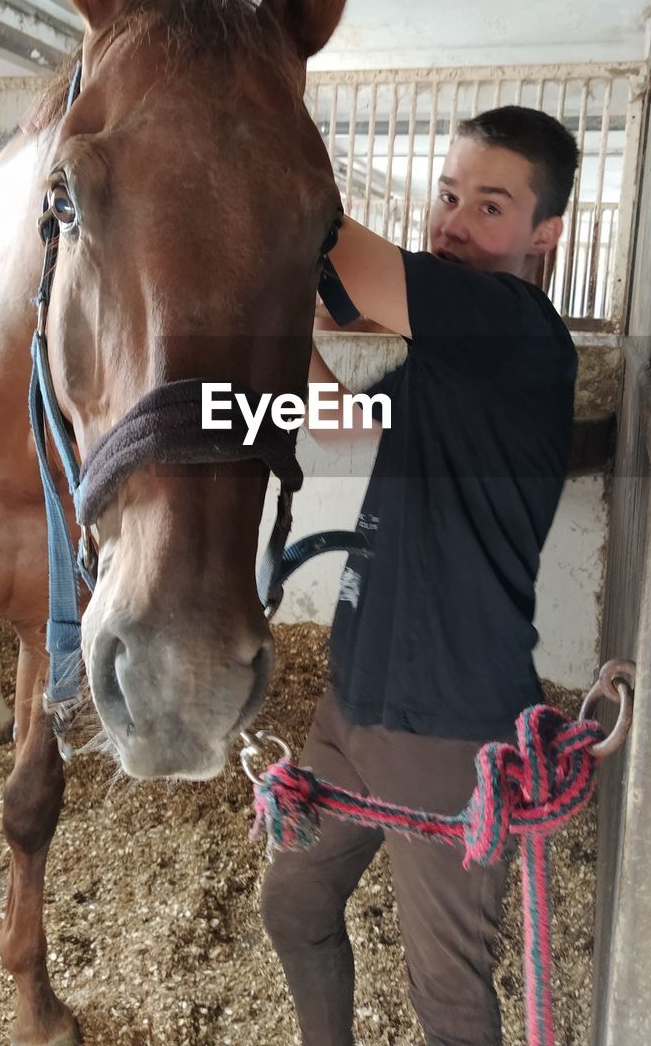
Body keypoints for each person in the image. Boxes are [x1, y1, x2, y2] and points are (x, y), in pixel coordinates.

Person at [260, 105, 580, 1046]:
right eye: (447, 195)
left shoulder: (514, 329)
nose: (452, 222)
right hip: (353, 705)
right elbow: (340, 425)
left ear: (544, 234)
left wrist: (257, 147)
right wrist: (292, 334)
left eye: (491, 205)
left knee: (447, 994)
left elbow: (337, 252)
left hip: (451, 730)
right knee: (294, 902)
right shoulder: (440, 363)